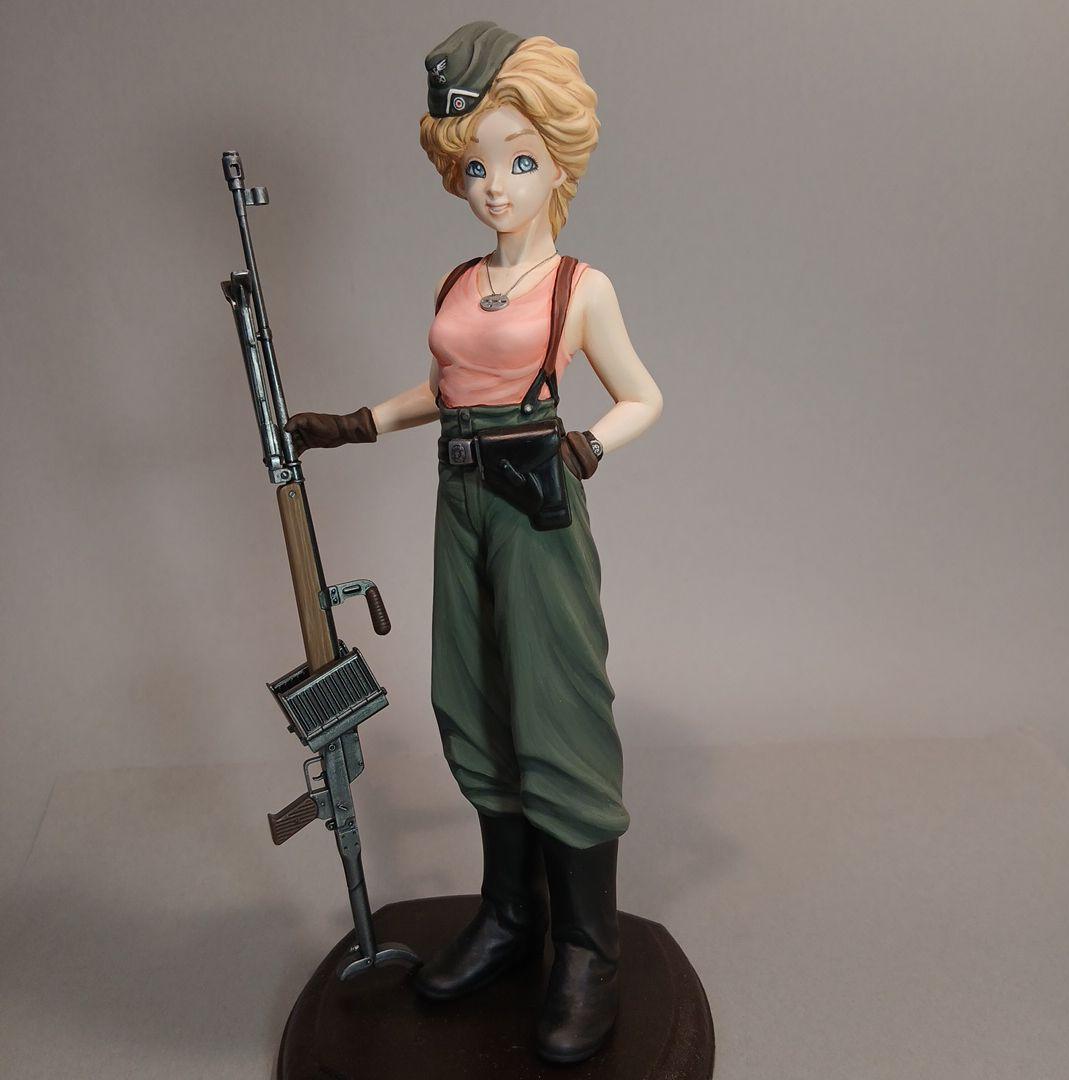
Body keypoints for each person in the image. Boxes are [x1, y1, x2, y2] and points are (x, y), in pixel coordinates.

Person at [285, 20, 662, 1065]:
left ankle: (588, 950)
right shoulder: (460, 281)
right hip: (459, 501)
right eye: (479, 166)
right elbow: (446, 389)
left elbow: (644, 394)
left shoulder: (580, 289)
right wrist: (356, 424)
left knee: (555, 702)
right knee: (471, 694)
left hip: (534, 505)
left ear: (558, 161)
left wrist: (590, 443)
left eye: (520, 162)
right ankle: (510, 915)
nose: (497, 187)